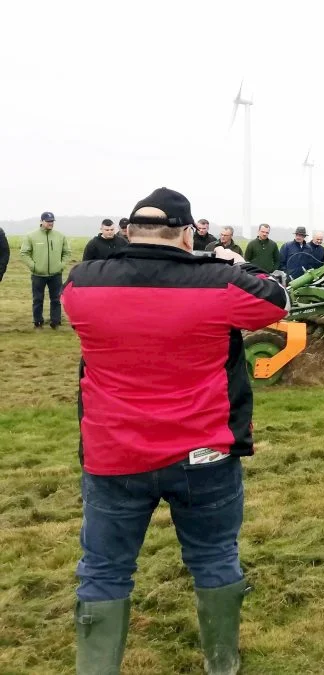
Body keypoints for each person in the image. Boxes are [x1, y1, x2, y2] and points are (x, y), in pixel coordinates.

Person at [61, 187, 289, 674]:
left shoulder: (81, 284)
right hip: (203, 453)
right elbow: (275, 302)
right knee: (213, 557)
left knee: (103, 570)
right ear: (187, 234)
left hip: (113, 453)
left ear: (127, 231)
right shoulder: (218, 281)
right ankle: (222, 663)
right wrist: (231, 261)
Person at [19, 211, 71, 329]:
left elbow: (67, 252)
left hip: (56, 274)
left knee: (56, 299)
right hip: (38, 275)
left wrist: (61, 265)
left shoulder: (60, 236)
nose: (50, 223)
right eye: (48, 221)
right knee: (38, 299)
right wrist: (34, 266)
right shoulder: (31, 236)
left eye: (52, 221)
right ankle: (38, 322)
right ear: (41, 221)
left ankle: (55, 322)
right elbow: (24, 253)